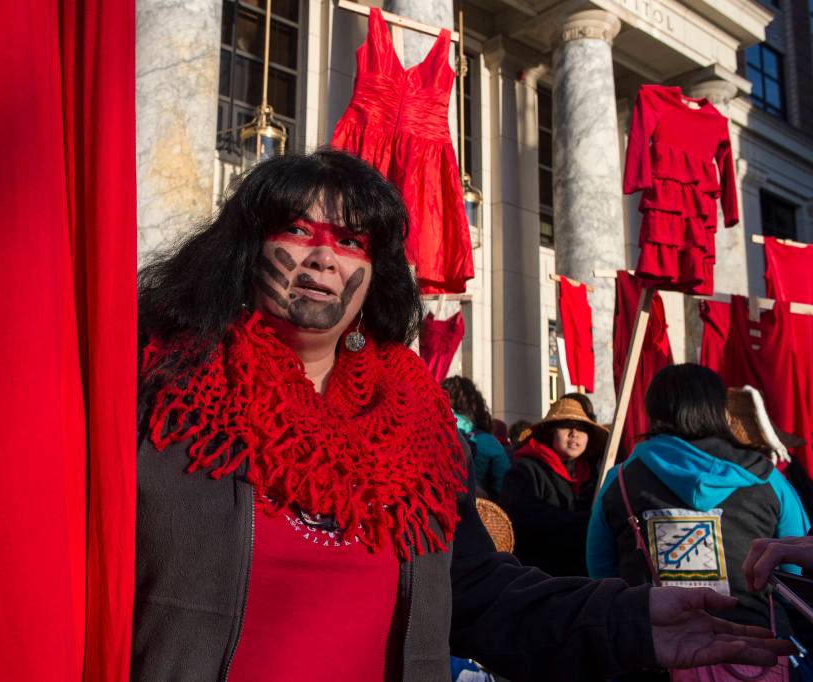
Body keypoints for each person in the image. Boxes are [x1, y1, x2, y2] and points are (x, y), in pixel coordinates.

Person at [135, 150, 792, 681]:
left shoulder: (416, 421)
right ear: (247, 248)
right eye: (298, 229)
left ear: (375, 272)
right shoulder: (162, 394)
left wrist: (634, 621)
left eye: (351, 238)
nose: (323, 256)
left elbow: (475, 592)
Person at [588, 364, 809, 679]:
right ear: (720, 410)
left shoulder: (620, 479)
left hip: (651, 656)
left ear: (654, 410)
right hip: (755, 655)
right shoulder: (768, 479)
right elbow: (797, 573)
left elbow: (601, 573)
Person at [499, 397, 607, 576]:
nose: (574, 433)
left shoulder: (594, 475)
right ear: (550, 432)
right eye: (566, 425)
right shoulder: (524, 471)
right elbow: (525, 522)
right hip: (540, 576)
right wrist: (587, 520)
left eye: (581, 428)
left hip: (585, 576)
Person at [442, 376, 509, 500]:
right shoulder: (490, 443)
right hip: (478, 511)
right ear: (475, 404)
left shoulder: (435, 430)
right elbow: (505, 489)